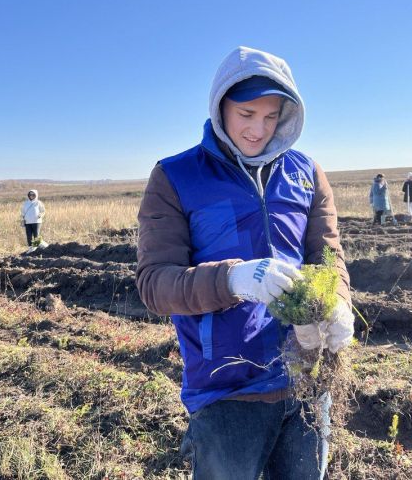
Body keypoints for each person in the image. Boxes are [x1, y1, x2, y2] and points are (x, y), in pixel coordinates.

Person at [136, 46, 354, 480]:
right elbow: (154, 285)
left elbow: (329, 257)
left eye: (271, 116)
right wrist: (233, 278)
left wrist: (339, 302)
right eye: (247, 113)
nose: (259, 130)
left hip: (307, 379)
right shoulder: (176, 177)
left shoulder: (306, 173)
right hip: (226, 391)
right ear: (221, 107)